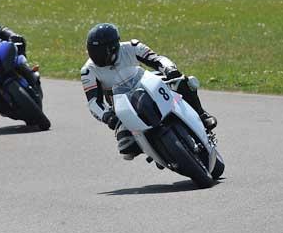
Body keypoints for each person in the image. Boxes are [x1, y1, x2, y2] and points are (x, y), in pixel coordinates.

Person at [80, 23, 218, 160]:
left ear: (113, 46)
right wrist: (107, 116)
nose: (95, 56)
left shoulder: (131, 47)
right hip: (122, 106)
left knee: (182, 81)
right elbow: (94, 102)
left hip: (146, 86)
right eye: (93, 51)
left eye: (99, 51)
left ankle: (201, 114)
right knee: (127, 148)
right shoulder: (88, 71)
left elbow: (157, 59)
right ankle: (155, 149)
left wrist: (169, 69)